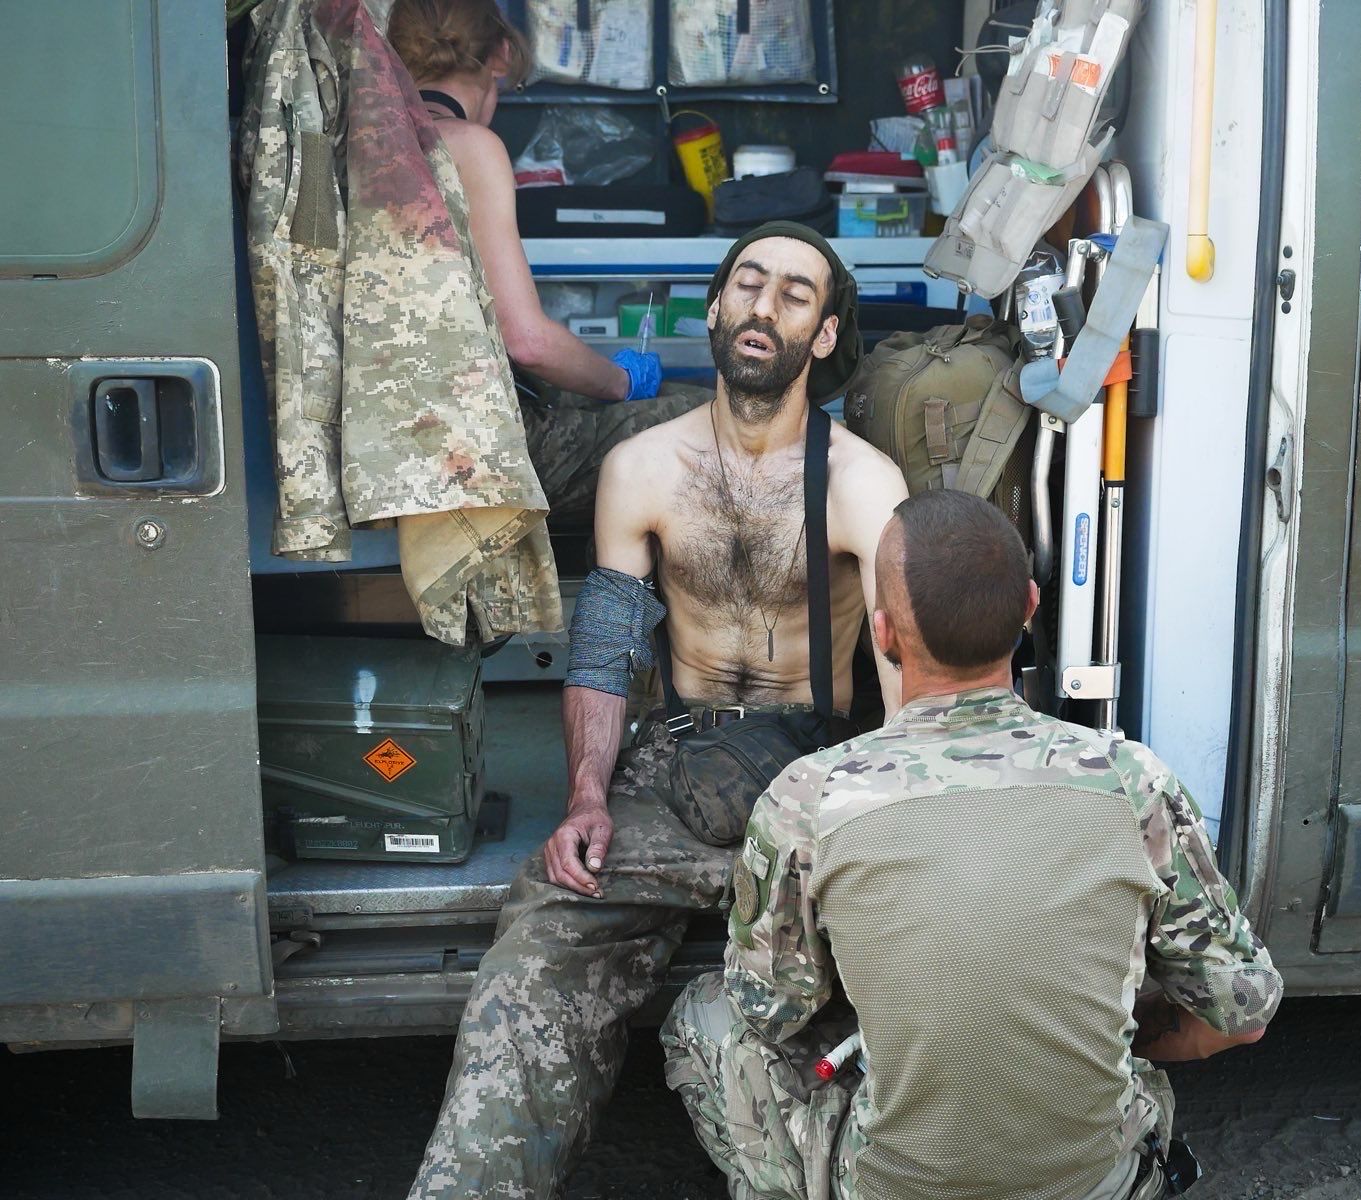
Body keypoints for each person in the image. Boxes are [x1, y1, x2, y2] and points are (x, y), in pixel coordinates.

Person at [408, 223, 911, 1198]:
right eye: (747, 284)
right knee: (546, 937)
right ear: (716, 307)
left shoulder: (862, 482)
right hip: (672, 779)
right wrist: (587, 800)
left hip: (817, 790)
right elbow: (605, 646)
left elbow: (903, 691)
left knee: (895, 993)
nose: (763, 307)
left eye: (793, 295)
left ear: (822, 334)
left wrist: (883, 844)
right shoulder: (639, 467)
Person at [661, 489, 1284, 1200]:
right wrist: (1117, 1041)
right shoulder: (1132, 781)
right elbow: (1242, 1015)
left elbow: (771, 1007)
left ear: (886, 634)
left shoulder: (811, 795)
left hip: (891, 1186)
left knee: (704, 1013)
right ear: (1029, 605)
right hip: (1099, 1184)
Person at [387, 0, 703, 522]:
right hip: (472, 450)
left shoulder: (367, 144)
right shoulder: (470, 145)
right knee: (717, 422)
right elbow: (527, 341)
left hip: (391, 440)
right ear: (502, 55)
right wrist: (623, 382)